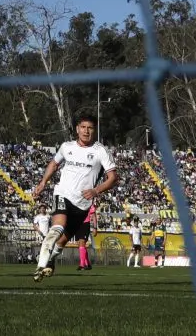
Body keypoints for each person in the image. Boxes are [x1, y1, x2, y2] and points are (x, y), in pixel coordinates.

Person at [31, 114, 118, 282]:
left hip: (83, 204)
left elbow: (113, 177)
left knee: (62, 242)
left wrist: (95, 190)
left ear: (94, 130)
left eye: (90, 128)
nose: (86, 131)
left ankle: (50, 260)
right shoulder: (66, 147)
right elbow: (54, 164)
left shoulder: (100, 151)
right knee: (58, 227)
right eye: (83, 127)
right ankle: (40, 267)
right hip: (63, 194)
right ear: (77, 129)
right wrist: (43, 182)